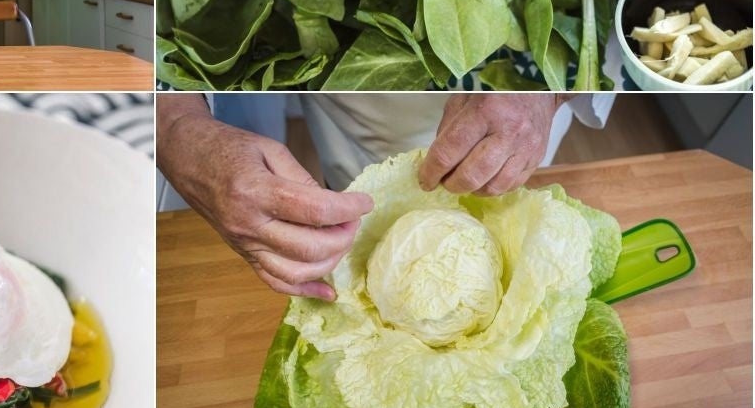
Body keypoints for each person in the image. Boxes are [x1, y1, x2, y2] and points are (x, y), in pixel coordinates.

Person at [157, 93, 610, 300]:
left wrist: (546, 92)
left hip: (516, 126)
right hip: (358, 120)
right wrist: (174, 123)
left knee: (507, 209)